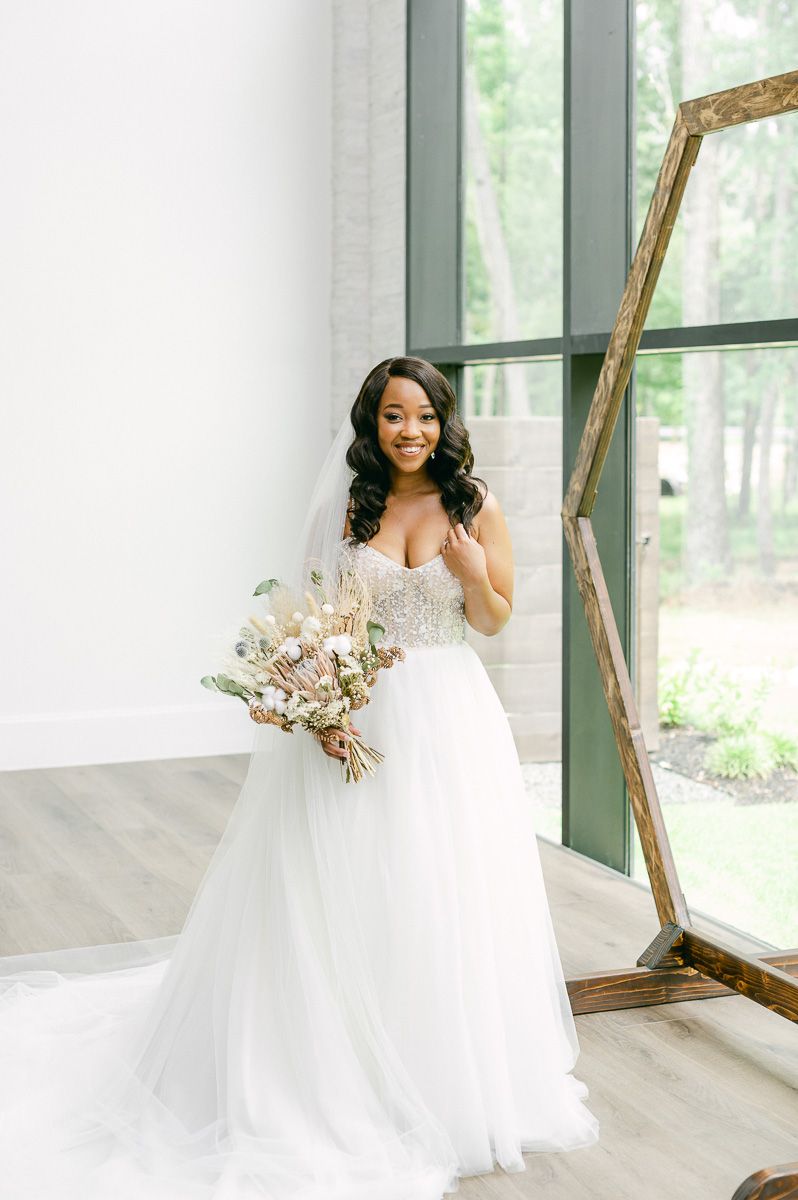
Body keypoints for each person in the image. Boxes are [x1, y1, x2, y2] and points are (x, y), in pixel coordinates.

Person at [0, 356, 599, 1199]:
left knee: (439, 884)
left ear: (444, 421)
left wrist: (470, 577)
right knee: (347, 885)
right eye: (394, 415)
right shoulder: (349, 506)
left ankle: (439, 1072)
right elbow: (316, 620)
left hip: (449, 716)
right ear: (372, 422)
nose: (411, 431)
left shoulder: (474, 503)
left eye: (424, 415)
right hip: (360, 709)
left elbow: (497, 619)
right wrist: (323, 706)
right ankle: (332, 1062)